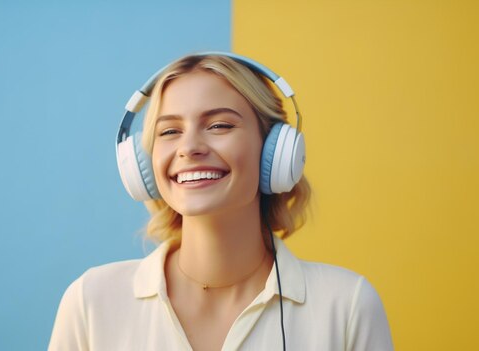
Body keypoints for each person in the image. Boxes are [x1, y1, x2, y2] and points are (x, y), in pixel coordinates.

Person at [48, 52, 393, 351]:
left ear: (276, 151)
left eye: (219, 125)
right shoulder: (91, 301)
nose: (189, 147)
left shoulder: (346, 305)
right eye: (169, 131)